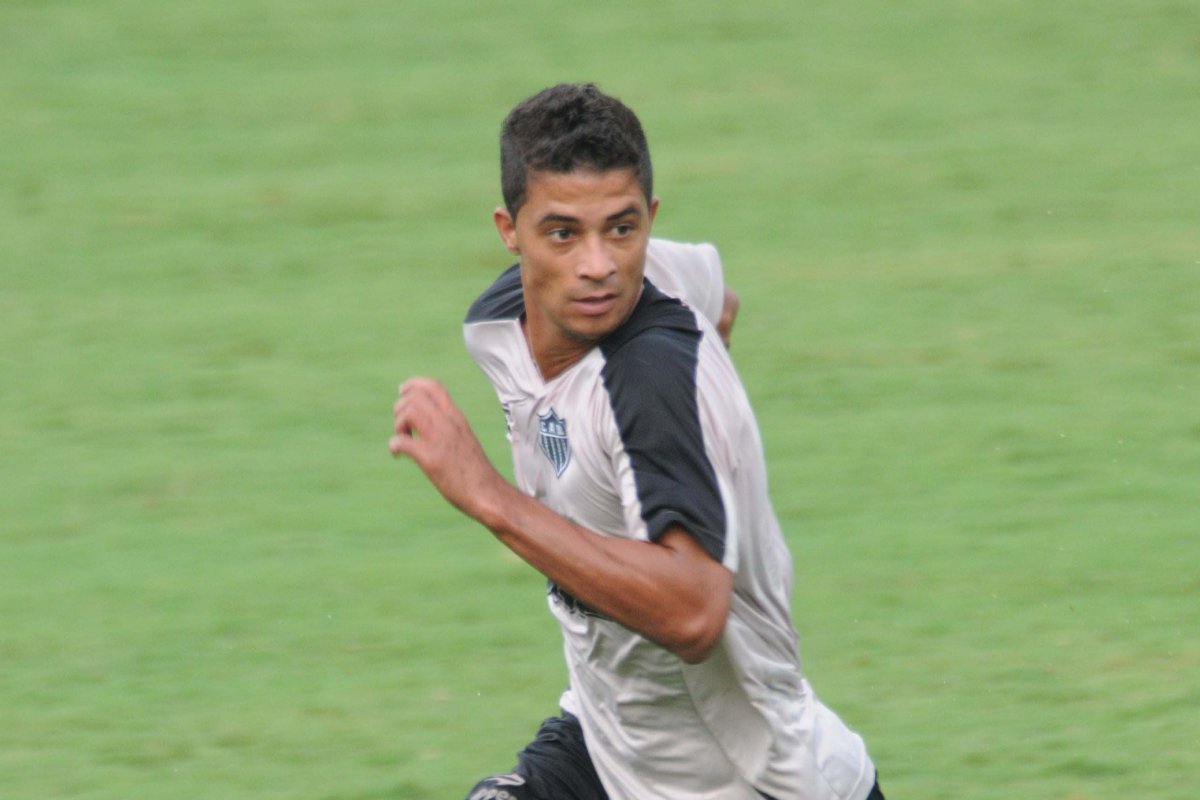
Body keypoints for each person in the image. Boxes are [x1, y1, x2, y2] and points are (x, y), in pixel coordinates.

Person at [390, 83, 884, 800]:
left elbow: (693, 612)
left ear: (648, 217)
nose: (599, 265)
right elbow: (720, 298)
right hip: (608, 737)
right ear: (509, 228)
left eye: (622, 229)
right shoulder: (501, 324)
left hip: (747, 780)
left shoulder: (646, 387)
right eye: (563, 233)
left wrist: (487, 494)